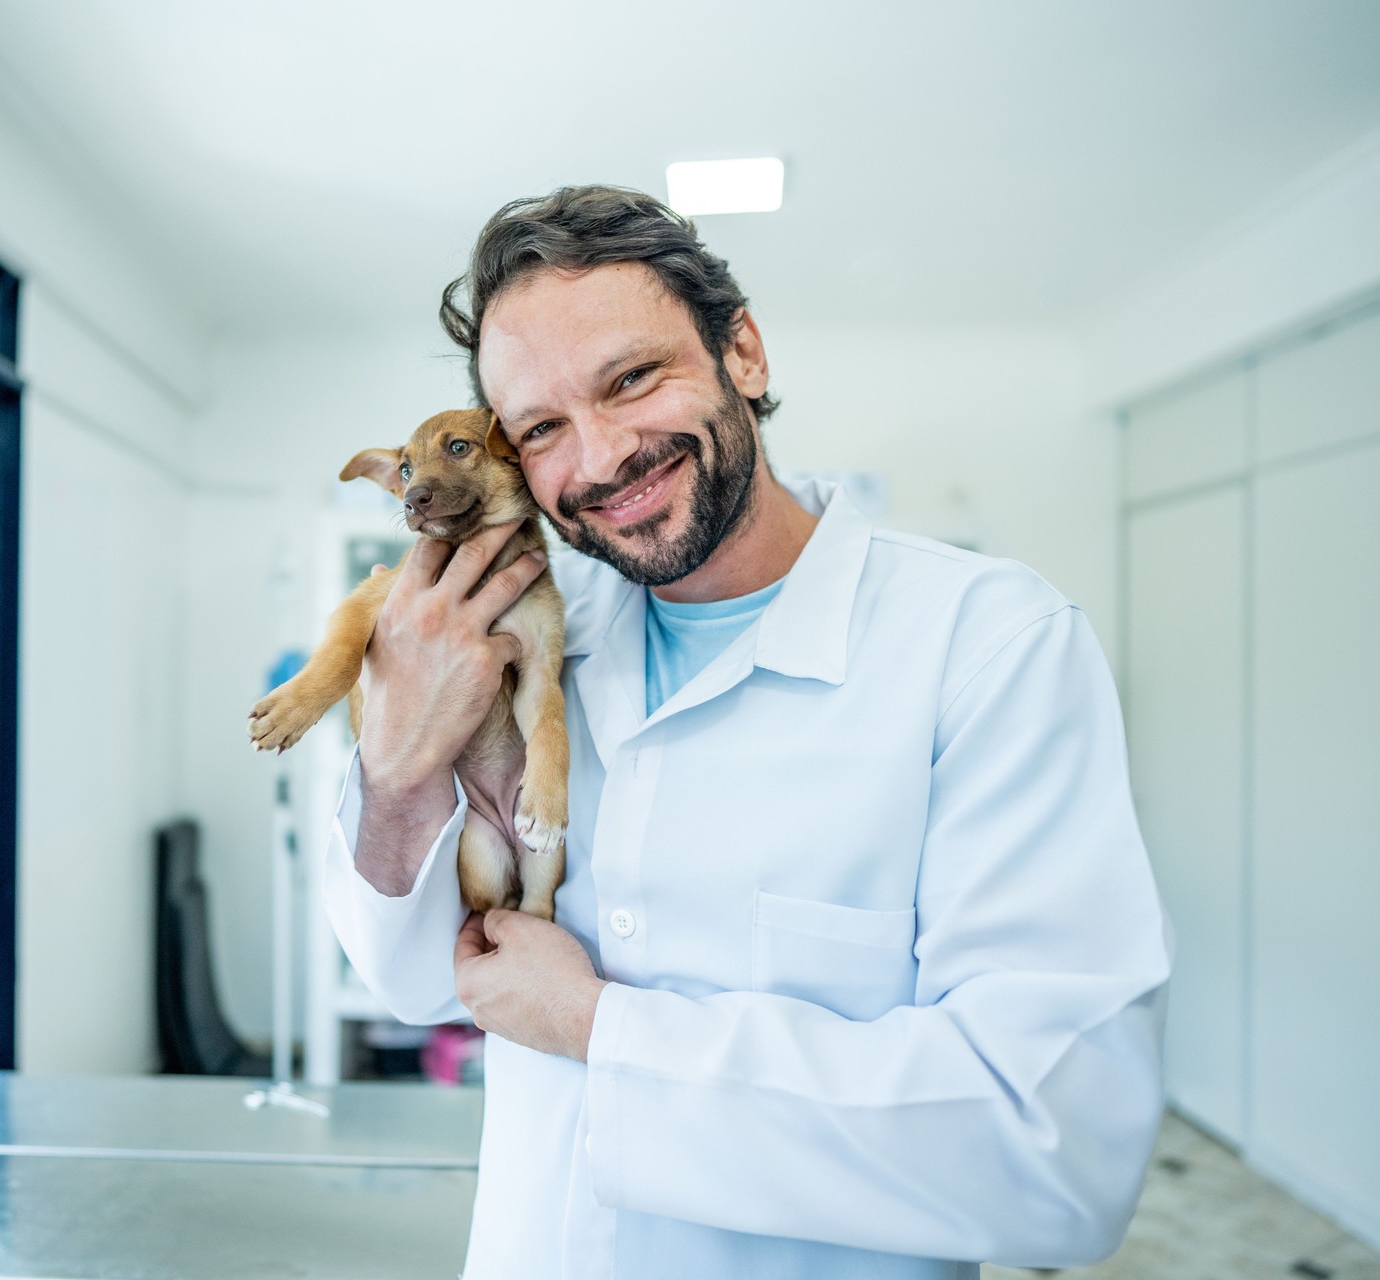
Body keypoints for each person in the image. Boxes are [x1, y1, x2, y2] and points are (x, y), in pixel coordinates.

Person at [322, 185, 1173, 1280]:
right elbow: (414, 981)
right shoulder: (526, 638)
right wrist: (395, 764)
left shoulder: (987, 645)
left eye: (631, 379)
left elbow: (1054, 1148)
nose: (599, 458)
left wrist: (599, 1027)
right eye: (541, 428)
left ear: (746, 354)